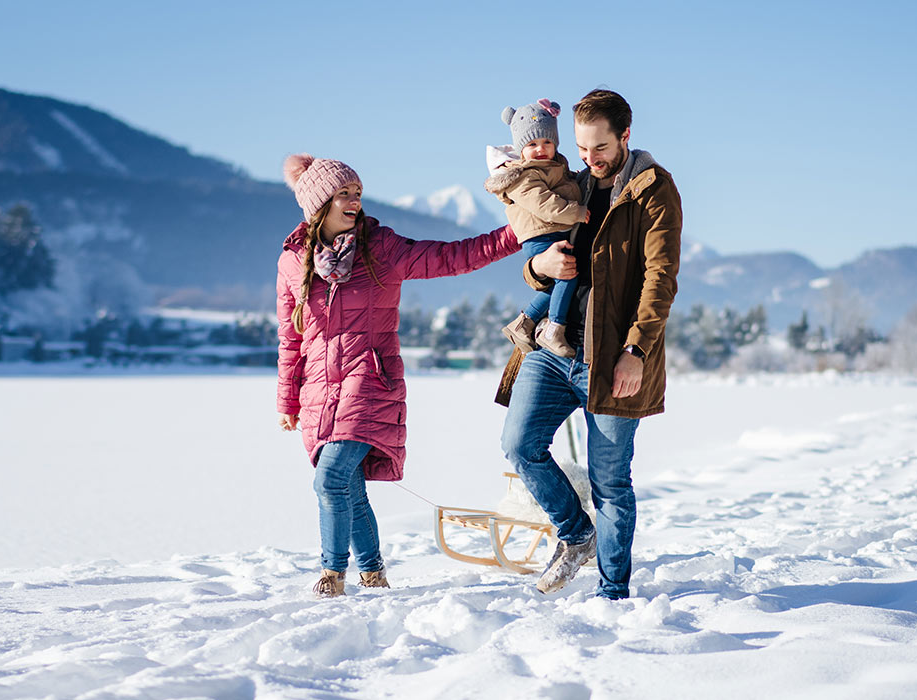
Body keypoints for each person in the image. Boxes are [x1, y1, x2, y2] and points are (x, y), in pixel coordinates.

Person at [276, 153, 522, 598]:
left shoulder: (381, 250)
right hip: (317, 392)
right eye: (344, 193)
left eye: (358, 193)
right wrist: (287, 400)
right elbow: (290, 339)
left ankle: (332, 576)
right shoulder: (293, 262)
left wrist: (516, 232)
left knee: (329, 479)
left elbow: (453, 257)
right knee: (349, 488)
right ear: (318, 203)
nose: (355, 201)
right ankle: (373, 575)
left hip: (369, 380)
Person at [496, 89, 682, 600]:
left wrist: (636, 351)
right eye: (581, 148)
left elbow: (659, 277)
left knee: (610, 483)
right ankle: (577, 535)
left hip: (612, 358)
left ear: (625, 136)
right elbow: (536, 252)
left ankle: (613, 593)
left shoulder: (653, 191)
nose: (589, 159)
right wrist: (538, 267)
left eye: (599, 148)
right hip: (552, 351)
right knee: (520, 444)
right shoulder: (570, 183)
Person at [483, 98, 590, 358]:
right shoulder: (523, 176)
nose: (540, 149)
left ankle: (525, 323)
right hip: (541, 235)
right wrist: (576, 211)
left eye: (547, 142)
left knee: (560, 282)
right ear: (521, 148)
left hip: (551, 232)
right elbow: (544, 204)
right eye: (532, 144)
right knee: (567, 275)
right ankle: (553, 328)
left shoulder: (554, 168)